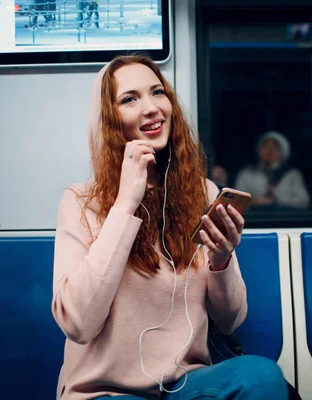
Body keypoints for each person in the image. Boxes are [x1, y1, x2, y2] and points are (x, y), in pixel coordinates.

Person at [52, 54, 288, 400]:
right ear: (109, 120)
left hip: (184, 387)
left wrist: (221, 258)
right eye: (130, 99)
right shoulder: (80, 201)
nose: (151, 108)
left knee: (262, 376)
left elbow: (230, 321)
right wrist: (125, 204)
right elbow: (77, 323)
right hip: (104, 393)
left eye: (157, 93)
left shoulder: (202, 192)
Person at [234, 131, 310, 209]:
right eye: (265, 146)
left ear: (283, 151)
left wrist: (276, 202)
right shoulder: (247, 173)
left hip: (284, 217)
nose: (269, 150)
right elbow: (236, 201)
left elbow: (303, 202)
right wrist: (253, 202)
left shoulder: (292, 175)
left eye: (275, 146)